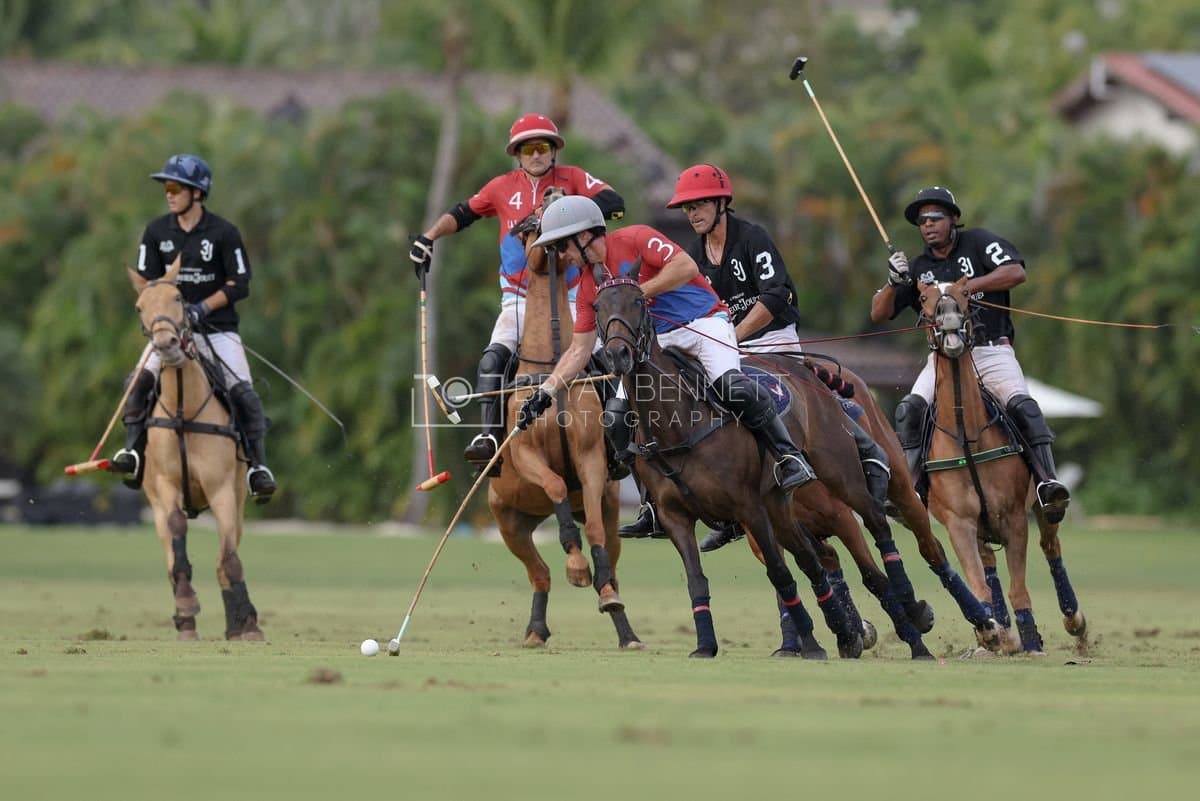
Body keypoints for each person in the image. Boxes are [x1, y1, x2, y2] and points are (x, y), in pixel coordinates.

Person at [513, 195, 817, 520]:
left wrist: (636, 294)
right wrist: (545, 392)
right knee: (616, 418)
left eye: (562, 246)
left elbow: (686, 267)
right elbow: (579, 349)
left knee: (733, 386)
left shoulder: (637, 238)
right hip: (658, 341)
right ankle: (651, 503)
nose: (562, 256)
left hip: (703, 322)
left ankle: (788, 456)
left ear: (584, 235)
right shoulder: (590, 286)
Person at [644, 164, 891, 550]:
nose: (692, 213)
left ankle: (865, 448)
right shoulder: (693, 255)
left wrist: (733, 337)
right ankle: (729, 507)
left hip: (773, 337)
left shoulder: (751, 237)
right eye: (687, 208)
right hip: (728, 345)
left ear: (721, 203)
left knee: (796, 398)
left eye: (699, 204)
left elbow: (776, 294)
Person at [408, 113, 624, 474]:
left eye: (542, 147)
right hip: (519, 297)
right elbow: (462, 213)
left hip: (572, 294)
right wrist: (429, 237)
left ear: (553, 150)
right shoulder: (501, 187)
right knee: (493, 358)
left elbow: (614, 202)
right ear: (517, 154)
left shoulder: (573, 178)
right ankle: (489, 439)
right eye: (527, 149)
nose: (535, 154)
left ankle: (616, 443)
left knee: (605, 356)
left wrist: (567, 208)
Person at [870, 185, 1070, 523]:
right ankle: (913, 489)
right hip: (943, 358)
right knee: (909, 410)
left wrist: (963, 289)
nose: (928, 224)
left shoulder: (977, 243)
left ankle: (1046, 483)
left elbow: (1015, 272)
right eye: (922, 220)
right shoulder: (917, 268)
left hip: (990, 351)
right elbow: (878, 313)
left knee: (1023, 406)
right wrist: (893, 282)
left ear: (953, 219)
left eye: (935, 217)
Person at [110, 154, 277, 500]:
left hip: (217, 330)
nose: (168, 194)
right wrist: (165, 314)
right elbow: (147, 284)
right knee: (137, 383)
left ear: (197, 192)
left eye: (175, 188)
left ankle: (257, 469)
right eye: (166, 188)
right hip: (169, 332)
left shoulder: (224, 233)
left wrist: (202, 307)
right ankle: (133, 455)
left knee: (243, 392)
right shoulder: (156, 232)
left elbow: (240, 283)